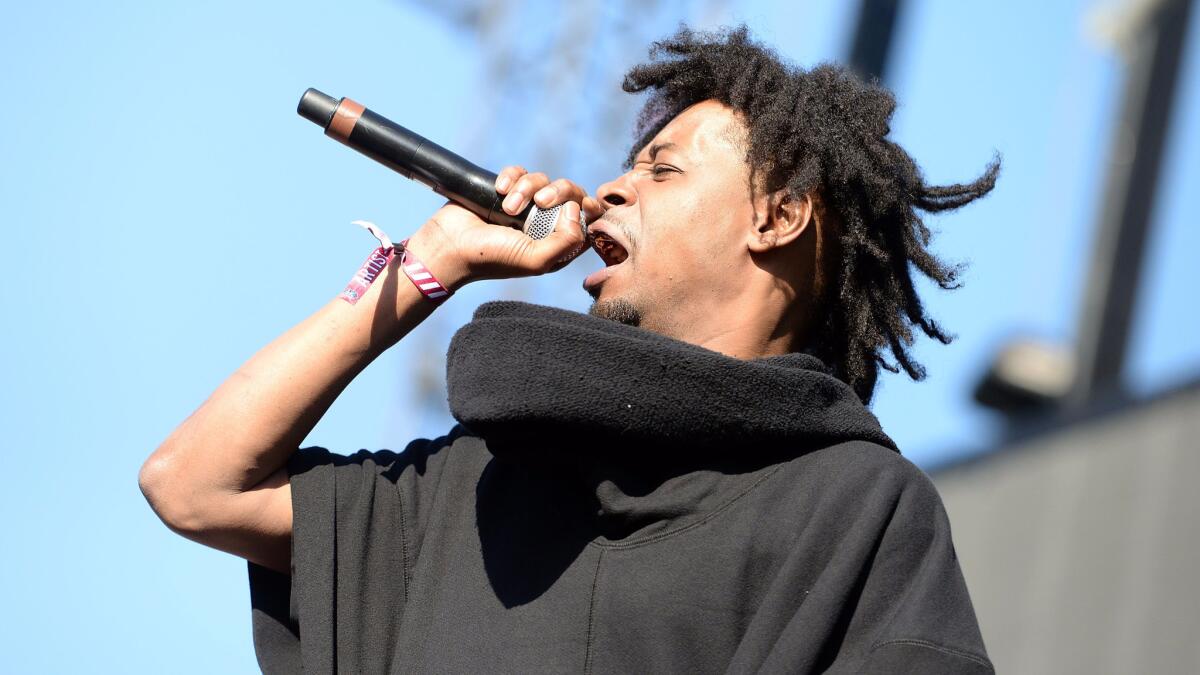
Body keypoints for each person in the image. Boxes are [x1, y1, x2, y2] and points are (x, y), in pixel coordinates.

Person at [140, 25, 998, 673]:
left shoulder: (854, 505)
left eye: (662, 169)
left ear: (777, 218)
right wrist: (429, 261)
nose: (612, 185)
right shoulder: (465, 489)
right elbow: (194, 483)